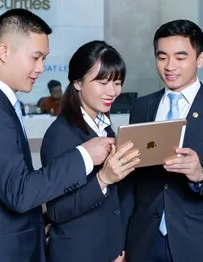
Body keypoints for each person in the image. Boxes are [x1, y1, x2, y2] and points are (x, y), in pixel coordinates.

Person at [0, 9, 114, 262]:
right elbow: (20, 193)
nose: (41, 68)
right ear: (4, 51)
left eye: (44, 59)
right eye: (36, 57)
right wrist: (84, 155)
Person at [122, 19, 203, 262]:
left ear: (201, 59)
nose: (170, 66)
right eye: (162, 57)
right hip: (144, 240)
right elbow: (131, 183)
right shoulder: (141, 106)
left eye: (180, 57)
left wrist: (201, 174)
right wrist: (120, 240)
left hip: (197, 243)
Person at [41, 41, 140, 262]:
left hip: (109, 251)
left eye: (117, 83)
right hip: (78, 253)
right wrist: (103, 179)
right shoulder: (60, 134)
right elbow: (57, 211)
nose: (112, 91)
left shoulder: (105, 128)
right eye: (102, 82)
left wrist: (120, 247)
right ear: (77, 82)